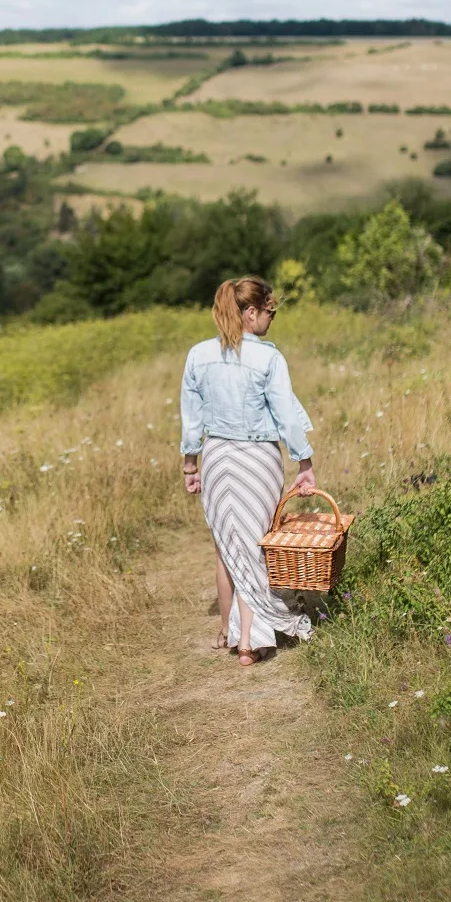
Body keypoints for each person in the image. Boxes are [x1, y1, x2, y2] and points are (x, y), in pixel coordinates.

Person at [179, 275, 317, 667]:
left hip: (218, 456)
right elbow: (287, 416)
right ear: (251, 312)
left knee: (227, 549)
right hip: (259, 459)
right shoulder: (268, 358)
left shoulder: (198, 355)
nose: (272, 320)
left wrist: (191, 464)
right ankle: (248, 644)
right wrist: (304, 463)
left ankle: (229, 631)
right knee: (255, 546)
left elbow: (192, 420)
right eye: (270, 312)